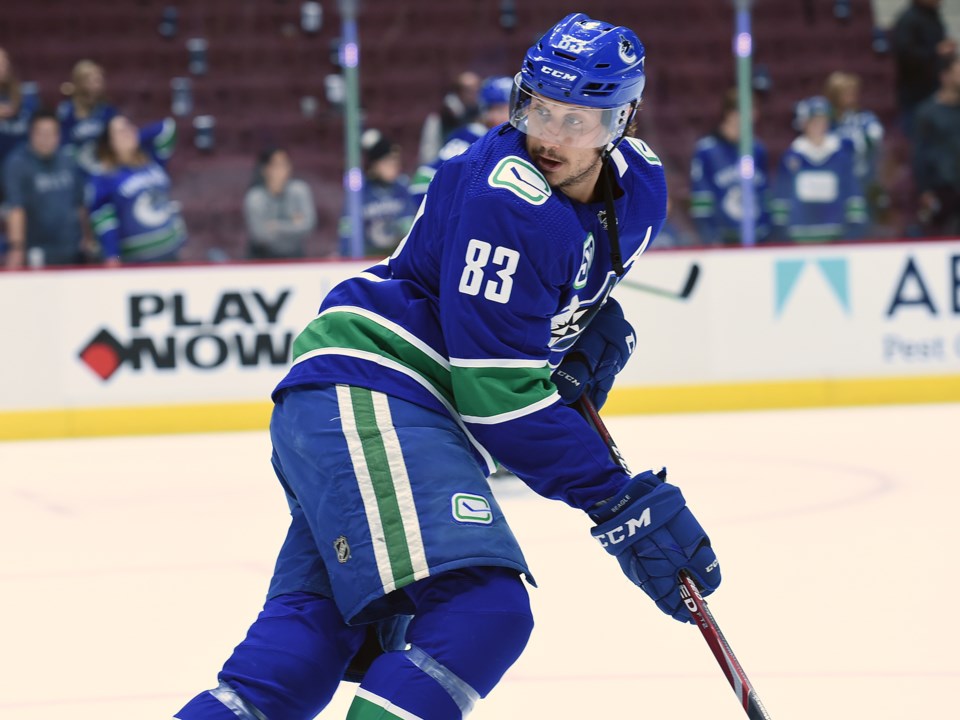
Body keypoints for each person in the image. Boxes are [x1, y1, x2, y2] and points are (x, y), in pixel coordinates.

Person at [176, 13, 720, 720]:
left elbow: (544, 310)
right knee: (482, 615)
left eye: (577, 122)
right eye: (538, 109)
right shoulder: (506, 196)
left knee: (307, 648)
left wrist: (582, 328)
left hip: (358, 402)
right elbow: (496, 396)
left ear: (621, 122)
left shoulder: (640, 189)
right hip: (378, 389)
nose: (550, 136)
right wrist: (615, 500)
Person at [86, 115, 185, 264]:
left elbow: (168, 127)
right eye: (119, 131)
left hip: (172, 252)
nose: (127, 132)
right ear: (109, 142)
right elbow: (104, 221)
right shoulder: (104, 176)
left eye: (129, 126)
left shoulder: (152, 158)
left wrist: (135, 137)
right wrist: (113, 257)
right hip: (138, 260)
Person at [770, 96, 867, 242]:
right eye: (814, 121)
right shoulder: (792, 156)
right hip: (799, 235)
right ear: (804, 123)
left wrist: (854, 224)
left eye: (822, 121)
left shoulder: (840, 156)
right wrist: (781, 228)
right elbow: (782, 195)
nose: (818, 125)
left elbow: (851, 190)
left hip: (834, 233)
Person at [410, 75, 514, 205]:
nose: (509, 116)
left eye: (512, 109)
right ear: (486, 111)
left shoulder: (518, 140)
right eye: (500, 109)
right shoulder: (469, 137)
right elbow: (425, 178)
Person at [2, 110, 87, 269]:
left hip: (72, 248)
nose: (46, 139)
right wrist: (17, 248)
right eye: (41, 133)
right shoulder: (17, 163)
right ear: (31, 134)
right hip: (37, 249)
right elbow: (15, 207)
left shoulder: (67, 160)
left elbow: (80, 203)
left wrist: (87, 238)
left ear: (58, 136)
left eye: (51, 133)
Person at [689, 88, 771, 246]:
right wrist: (711, 238)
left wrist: (766, 232)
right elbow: (701, 201)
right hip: (723, 241)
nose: (754, 116)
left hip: (756, 239)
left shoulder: (757, 149)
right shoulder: (707, 150)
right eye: (749, 110)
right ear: (731, 114)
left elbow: (763, 194)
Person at [339, 129, 418, 258]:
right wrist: (346, 255)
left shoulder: (402, 188)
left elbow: (409, 227)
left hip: (396, 256)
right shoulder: (360, 191)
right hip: (367, 257)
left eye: (395, 163)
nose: (393, 167)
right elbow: (348, 230)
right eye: (387, 163)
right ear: (374, 165)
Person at [824, 71, 885, 222]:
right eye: (845, 92)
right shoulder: (826, 123)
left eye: (853, 92)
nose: (851, 96)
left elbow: (876, 136)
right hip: (833, 184)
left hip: (863, 182)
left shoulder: (865, 119)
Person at [890, 0, 956, 137]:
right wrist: (936, 51)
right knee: (918, 140)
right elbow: (904, 55)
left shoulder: (934, 16)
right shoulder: (908, 19)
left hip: (935, 89)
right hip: (915, 93)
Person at [912, 54, 960, 236]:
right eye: (958, 72)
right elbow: (919, 154)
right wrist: (924, 190)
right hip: (943, 189)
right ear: (945, 77)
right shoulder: (928, 112)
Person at [243, 147, 317, 259]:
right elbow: (260, 235)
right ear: (265, 169)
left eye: (285, 165)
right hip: (262, 259)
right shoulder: (255, 198)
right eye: (276, 166)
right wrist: (294, 225)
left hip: (295, 257)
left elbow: (308, 226)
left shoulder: (300, 191)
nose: (282, 171)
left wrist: (275, 226)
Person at [56, 59, 118, 173]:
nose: (98, 82)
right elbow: (62, 144)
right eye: (92, 79)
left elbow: (114, 140)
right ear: (80, 82)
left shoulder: (108, 110)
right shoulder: (66, 110)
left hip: (101, 165)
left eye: (99, 78)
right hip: (74, 166)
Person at [417, 70, 481, 164]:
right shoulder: (440, 116)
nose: (475, 94)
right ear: (458, 92)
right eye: (470, 90)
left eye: (478, 89)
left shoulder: (478, 111)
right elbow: (428, 152)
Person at [0, 47, 40, 189]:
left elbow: (39, 124)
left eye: (4, 62)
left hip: (25, 164)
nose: (2, 67)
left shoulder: (25, 94)